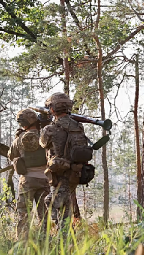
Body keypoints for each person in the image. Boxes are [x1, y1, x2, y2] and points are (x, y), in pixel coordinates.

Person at [39, 92, 92, 230]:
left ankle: (59, 238)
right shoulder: (78, 126)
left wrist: (44, 123)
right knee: (65, 207)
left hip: (60, 173)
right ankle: (66, 243)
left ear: (52, 109)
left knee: (51, 201)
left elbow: (43, 143)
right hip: (75, 173)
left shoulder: (50, 128)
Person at [8, 109, 50, 239]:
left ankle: (22, 243)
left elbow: (11, 155)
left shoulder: (19, 139)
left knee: (23, 213)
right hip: (44, 179)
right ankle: (45, 242)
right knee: (44, 214)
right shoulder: (45, 137)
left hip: (26, 180)